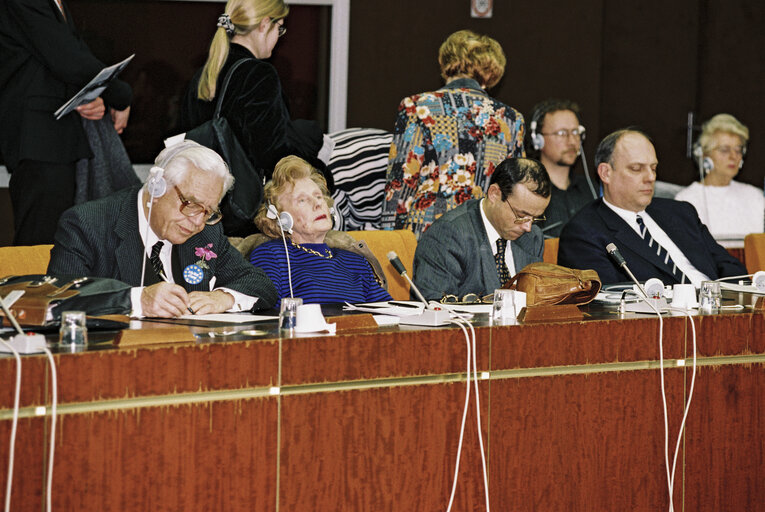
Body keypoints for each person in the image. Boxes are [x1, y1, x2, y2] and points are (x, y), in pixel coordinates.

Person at [48, 141, 277, 318]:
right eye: (191, 205)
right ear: (157, 187)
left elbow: (260, 284)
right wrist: (138, 301)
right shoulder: (87, 224)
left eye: (208, 211)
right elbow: (59, 299)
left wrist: (223, 298)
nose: (198, 222)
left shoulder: (206, 231)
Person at [0, 0, 132, 245]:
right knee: (39, 243)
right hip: (38, 139)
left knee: (59, 242)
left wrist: (94, 97)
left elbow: (61, 60)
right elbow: (67, 58)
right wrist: (120, 95)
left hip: (53, 135)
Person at [381, 29, 525, 239]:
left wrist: (389, 242)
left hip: (428, 235)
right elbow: (513, 193)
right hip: (484, 236)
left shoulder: (418, 106)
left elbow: (400, 183)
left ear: (445, 62)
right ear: (491, 71)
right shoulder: (512, 119)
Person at [179, 0, 332, 199]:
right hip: (242, 209)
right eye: (280, 28)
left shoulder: (204, 76)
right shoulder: (258, 74)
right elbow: (273, 155)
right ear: (264, 24)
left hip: (202, 199)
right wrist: (320, 171)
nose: (279, 36)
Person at [558, 129, 746, 285]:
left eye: (653, 168)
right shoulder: (583, 233)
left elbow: (731, 267)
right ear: (606, 173)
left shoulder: (680, 213)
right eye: (637, 169)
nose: (650, 177)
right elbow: (609, 299)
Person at [249, 156, 392, 307]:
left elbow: (391, 313)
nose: (317, 203)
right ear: (280, 217)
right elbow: (266, 316)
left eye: (318, 196)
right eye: (302, 200)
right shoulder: (272, 256)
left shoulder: (355, 261)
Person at [413, 157, 551, 301]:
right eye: (521, 215)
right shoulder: (448, 235)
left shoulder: (533, 237)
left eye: (535, 218)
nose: (528, 227)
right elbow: (436, 308)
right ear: (494, 194)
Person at [675, 114, 764, 242]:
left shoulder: (755, 196)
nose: (734, 156)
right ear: (704, 154)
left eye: (738, 150)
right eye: (724, 150)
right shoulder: (686, 199)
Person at [525, 99, 596, 238]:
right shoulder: (527, 190)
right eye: (562, 133)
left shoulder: (590, 188)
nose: (572, 141)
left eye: (575, 132)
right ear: (538, 140)